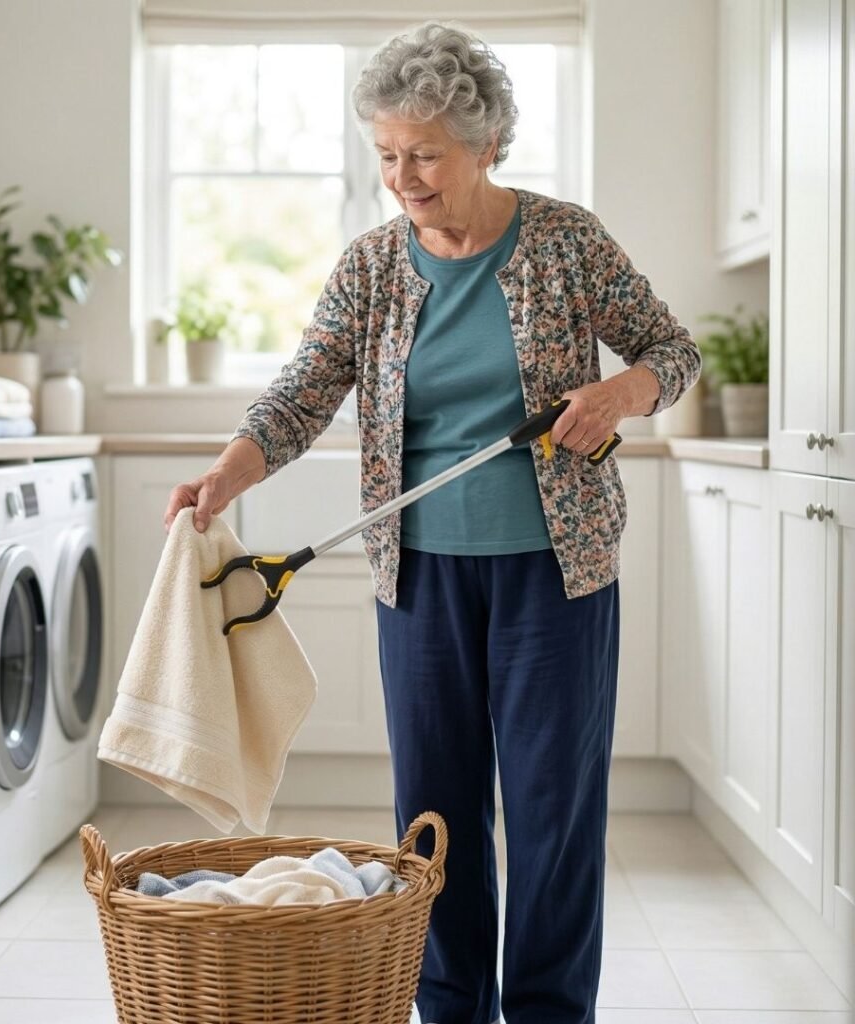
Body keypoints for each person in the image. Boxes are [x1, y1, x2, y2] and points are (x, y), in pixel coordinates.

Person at [164, 21, 700, 1024]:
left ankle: (547, 1011)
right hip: (419, 577)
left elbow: (672, 349)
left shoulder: (566, 240)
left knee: (551, 814)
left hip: (559, 571)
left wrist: (622, 389)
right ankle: (449, 1007)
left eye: (424, 155)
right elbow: (301, 390)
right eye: (385, 155)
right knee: (432, 817)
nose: (402, 177)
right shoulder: (371, 266)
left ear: (487, 143)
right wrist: (226, 475)